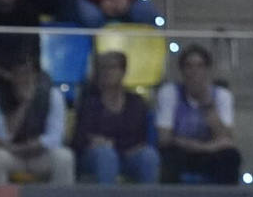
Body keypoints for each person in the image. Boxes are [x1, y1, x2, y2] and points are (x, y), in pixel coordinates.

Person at [156, 45, 242, 186]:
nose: (194, 72)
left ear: (207, 70)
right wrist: (204, 146)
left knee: (230, 157)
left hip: (209, 153)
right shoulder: (169, 93)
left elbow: (227, 139)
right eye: (189, 66)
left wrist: (208, 105)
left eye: (200, 66)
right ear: (182, 70)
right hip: (181, 152)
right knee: (170, 158)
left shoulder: (222, 95)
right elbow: (165, 138)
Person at [0, 55, 76, 186]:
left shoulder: (53, 95)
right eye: (19, 73)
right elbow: (3, 136)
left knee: (64, 157)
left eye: (28, 73)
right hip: (12, 156)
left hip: (39, 154)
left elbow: (54, 138)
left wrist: (23, 148)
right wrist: (24, 104)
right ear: (11, 75)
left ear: (36, 75)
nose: (25, 78)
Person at [73, 51, 159, 185]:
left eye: (113, 67)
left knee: (148, 156)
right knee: (106, 155)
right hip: (95, 157)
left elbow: (140, 138)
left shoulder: (136, 103)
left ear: (123, 71)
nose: (108, 72)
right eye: (103, 67)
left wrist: (112, 144)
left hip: (130, 156)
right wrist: (109, 146)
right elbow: (80, 139)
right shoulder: (88, 102)